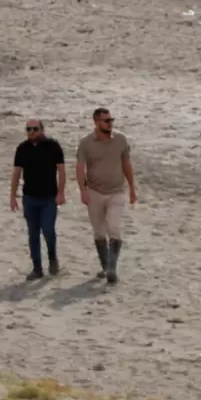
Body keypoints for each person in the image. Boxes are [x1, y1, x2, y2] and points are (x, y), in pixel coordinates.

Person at [75, 107, 137, 284]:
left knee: (114, 228)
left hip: (117, 191)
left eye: (111, 120)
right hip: (95, 192)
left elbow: (127, 164)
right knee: (99, 232)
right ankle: (105, 266)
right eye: (106, 121)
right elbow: (80, 168)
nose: (110, 123)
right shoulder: (86, 143)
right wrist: (83, 190)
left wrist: (132, 187)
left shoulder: (120, 139)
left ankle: (112, 269)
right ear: (96, 122)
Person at [10, 119, 66, 280]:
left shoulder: (53, 146)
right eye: (28, 129)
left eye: (35, 129)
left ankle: (53, 258)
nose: (31, 132)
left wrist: (61, 192)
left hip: (49, 197)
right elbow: (16, 173)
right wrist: (12, 196)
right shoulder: (22, 148)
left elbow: (61, 171)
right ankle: (37, 268)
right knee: (33, 234)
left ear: (42, 129)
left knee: (48, 230)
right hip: (30, 197)